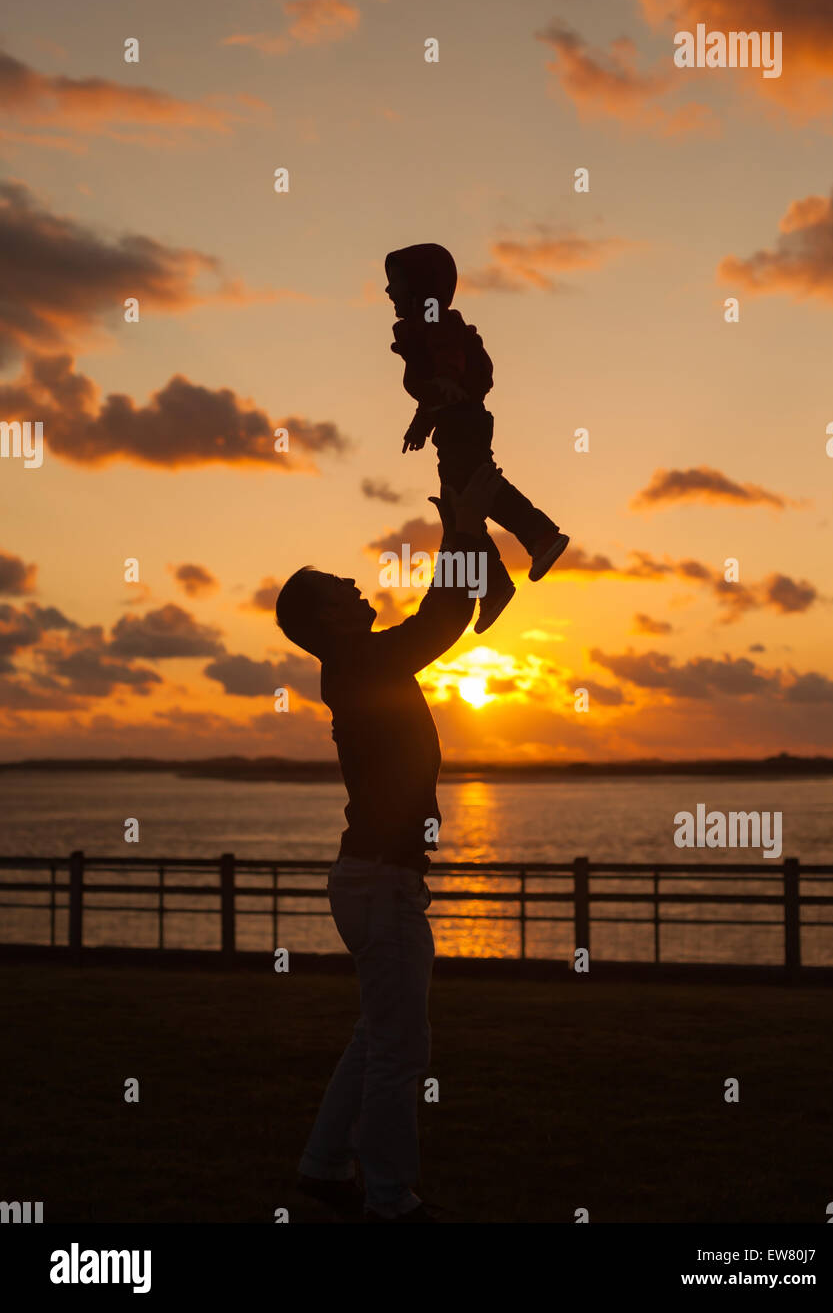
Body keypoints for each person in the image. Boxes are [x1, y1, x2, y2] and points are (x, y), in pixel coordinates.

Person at [277, 462, 504, 1223]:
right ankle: (389, 1198)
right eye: (341, 585)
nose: (357, 584)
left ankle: (321, 1168)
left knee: (376, 1035)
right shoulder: (359, 662)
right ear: (330, 617)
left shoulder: (354, 664)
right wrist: (463, 528)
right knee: (401, 1050)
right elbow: (442, 620)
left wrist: (464, 532)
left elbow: (440, 618)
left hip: (370, 878)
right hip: (379, 882)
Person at [385, 241, 570, 633]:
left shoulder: (435, 321)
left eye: (396, 284)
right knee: (458, 508)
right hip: (454, 423)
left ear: (420, 287)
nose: (389, 293)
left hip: (465, 421)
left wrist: (448, 382)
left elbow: (447, 357)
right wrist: (423, 420)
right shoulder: (419, 327)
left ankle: (538, 536)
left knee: (475, 491)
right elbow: (433, 386)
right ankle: (494, 584)